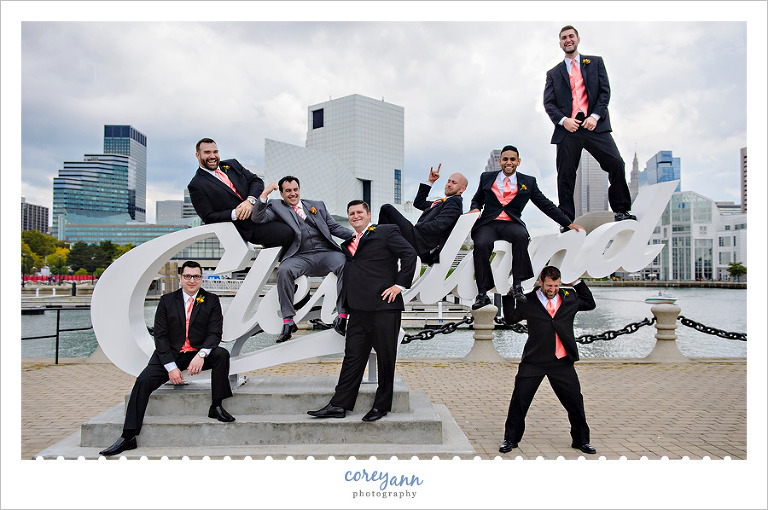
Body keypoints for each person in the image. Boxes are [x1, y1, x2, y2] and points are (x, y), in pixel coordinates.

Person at [99, 261, 235, 457]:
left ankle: (216, 405)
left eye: (196, 276)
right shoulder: (167, 301)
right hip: (169, 354)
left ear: (201, 278)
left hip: (196, 353)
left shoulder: (211, 300)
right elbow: (160, 336)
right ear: (180, 278)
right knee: (143, 381)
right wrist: (170, 367)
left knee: (222, 354)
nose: (192, 280)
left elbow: (215, 333)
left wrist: (202, 354)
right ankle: (128, 435)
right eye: (187, 276)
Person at [307, 200, 417, 422]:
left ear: (368, 214)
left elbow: (409, 254)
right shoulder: (347, 244)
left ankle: (381, 406)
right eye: (351, 213)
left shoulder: (385, 231)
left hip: (384, 309)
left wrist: (400, 285)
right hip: (357, 311)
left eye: (359, 212)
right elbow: (348, 278)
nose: (355, 216)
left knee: (387, 359)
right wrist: (344, 311)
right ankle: (339, 405)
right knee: (352, 358)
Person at [468, 145, 583, 310]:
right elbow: (477, 199)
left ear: (518, 162)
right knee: (481, 244)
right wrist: (475, 208)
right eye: (505, 159)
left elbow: (545, 205)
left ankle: (517, 286)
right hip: (488, 223)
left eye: (512, 159)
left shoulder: (528, 182)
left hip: (512, 223)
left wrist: (568, 223)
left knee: (522, 237)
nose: (509, 162)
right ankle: (482, 293)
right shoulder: (486, 177)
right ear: (500, 161)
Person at [498, 265, 597, 455]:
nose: (552, 290)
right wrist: (508, 294)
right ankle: (510, 439)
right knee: (519, 400)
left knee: (575, 401)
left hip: (561, 362)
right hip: (534, 361)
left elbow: (590, 303)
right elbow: (510, 318)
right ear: (541, 282)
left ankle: (581, 441)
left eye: (556, 286)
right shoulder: (528, 300)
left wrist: (575, 281)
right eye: (549, 285)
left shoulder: (570, 297)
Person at [544, 25, 636, 226]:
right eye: (563, 38)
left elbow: (605, 92)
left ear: (578, 39)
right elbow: (548, 103)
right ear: (560, 43)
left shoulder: (595, 63)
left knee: (616, 163)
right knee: (566, 175)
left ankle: (621, 210)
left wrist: (595, 116)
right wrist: (563, 121)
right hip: (569, 128)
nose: (568, 40)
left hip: (594, 126)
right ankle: (566, 220)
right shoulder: (553, 73)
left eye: (571, 36)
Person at [252, 176, 354, 343]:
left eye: (295, 190)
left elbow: (333, 227)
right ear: (282, 193)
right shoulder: (276, 206)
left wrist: (355, 235)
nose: (293, 194)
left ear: (299, 189)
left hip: (325, 252)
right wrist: (264, 194)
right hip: (299, 255)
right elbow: (258, 218)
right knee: (284, 270)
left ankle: (342, 315)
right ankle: (288, 321)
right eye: (288, 191)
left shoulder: (317, 205)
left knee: (345, 263)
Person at [187, 137, 293, 252]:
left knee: (301, 224)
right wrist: (235, 213)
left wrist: (250, 201)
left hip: (263, 212)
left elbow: (256, 181)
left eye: (215, 152)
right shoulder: (196, 185)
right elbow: (208, 217)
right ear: (198, 155)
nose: (212, 156)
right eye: (207, 152)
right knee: (288, 232)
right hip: (247, 227)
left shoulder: (232, 164)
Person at [378, 164, 467, 265]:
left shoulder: (454, 202)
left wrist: (417, 226)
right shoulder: (444, 202)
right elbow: (419, 203)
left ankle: (378, 247)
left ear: (462, 189)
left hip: (422, 245)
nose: (449, 184)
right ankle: (381, 247)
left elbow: (438, 226)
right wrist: (430, 182)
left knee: (387, 209)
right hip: (419, 241)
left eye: (454, 182)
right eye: (448, 181)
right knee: (387, 226)